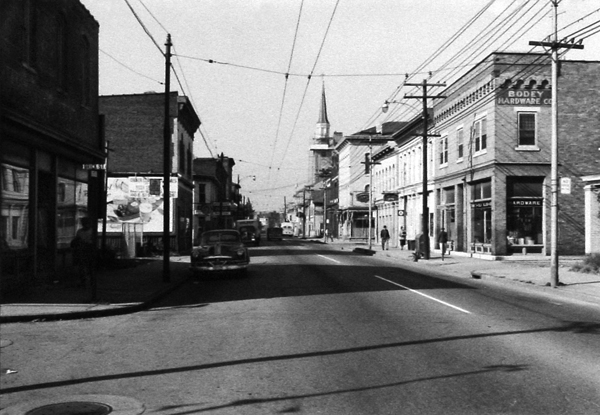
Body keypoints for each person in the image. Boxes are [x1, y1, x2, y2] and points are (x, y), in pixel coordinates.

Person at [71, 217, 95, 286]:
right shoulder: (80, 231)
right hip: (82, 250)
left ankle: (89, 281)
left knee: (88, 267)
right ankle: (84, 281)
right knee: (83, 267)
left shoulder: (87, 231)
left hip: (88, 250)